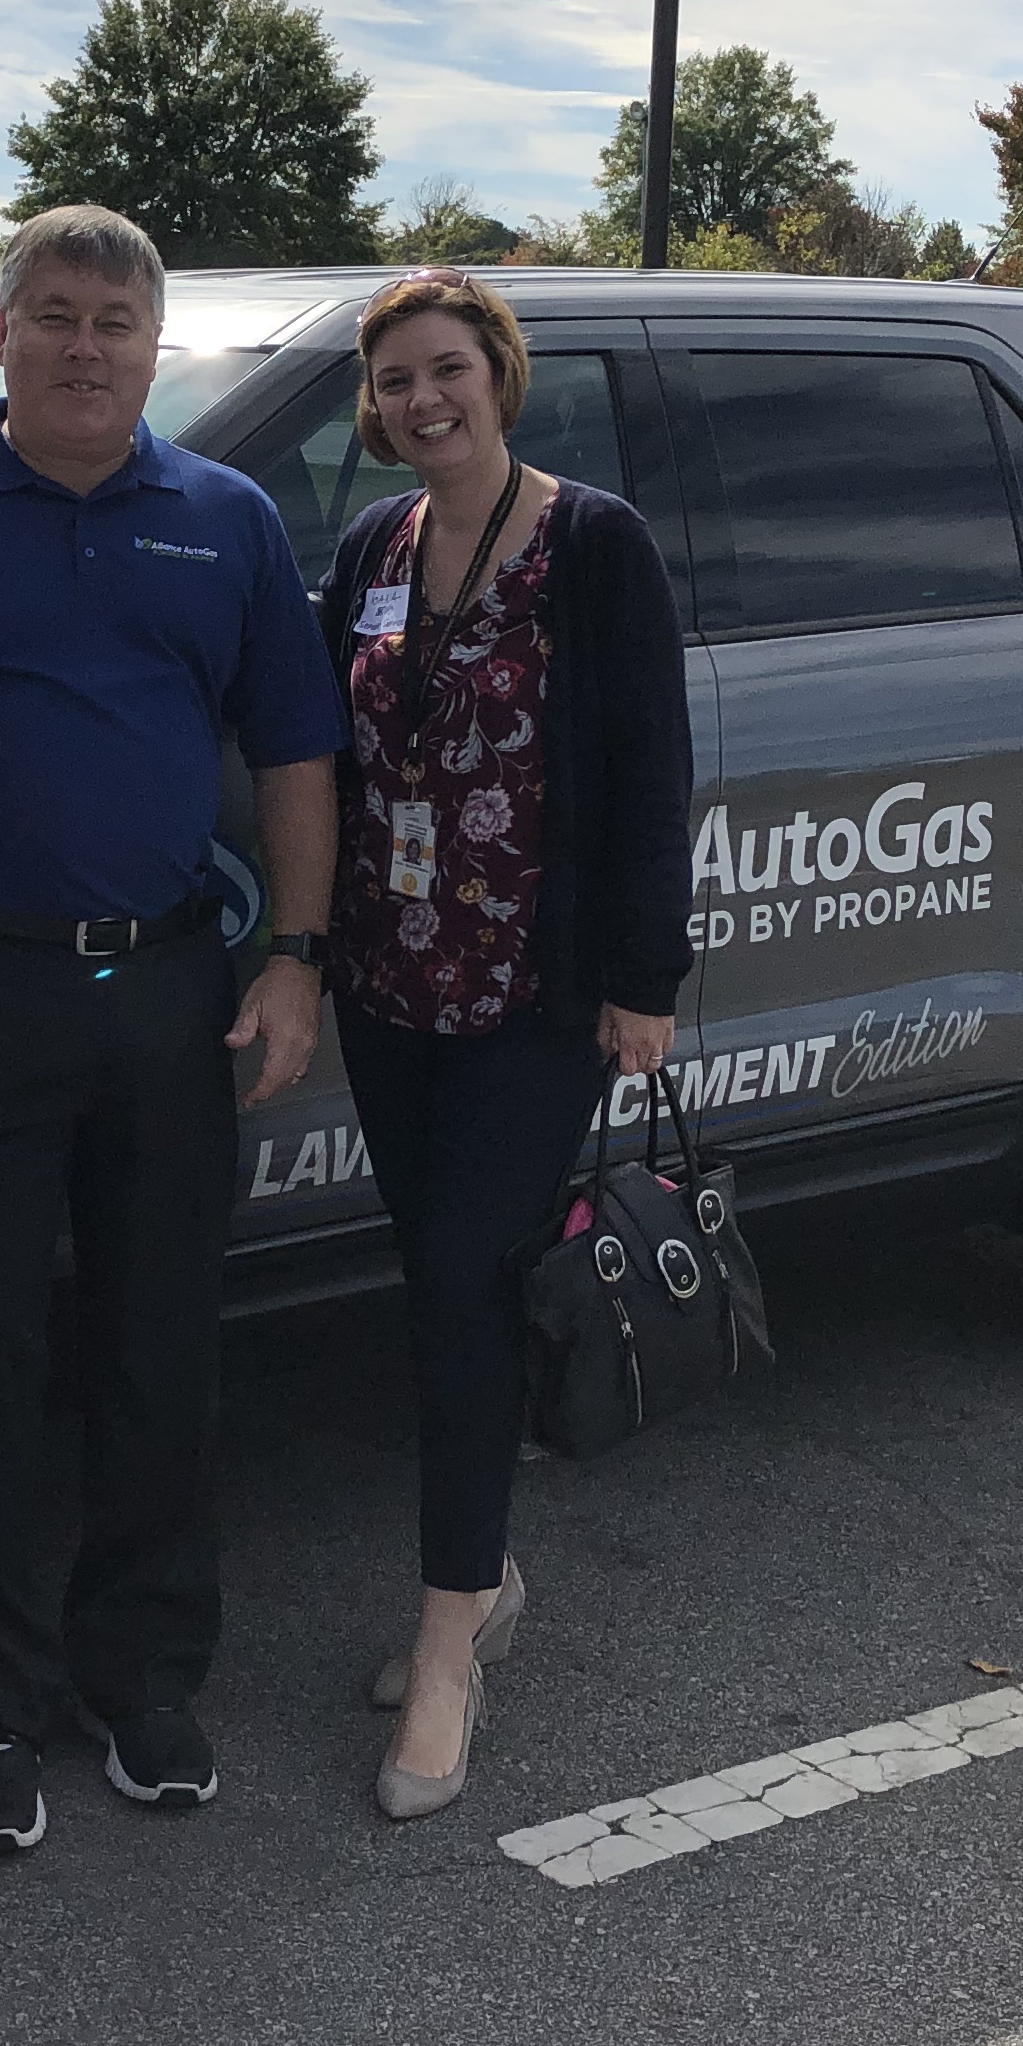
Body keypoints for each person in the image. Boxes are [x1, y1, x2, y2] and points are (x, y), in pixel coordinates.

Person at [0, 204, 345, 1858]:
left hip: (175, 988)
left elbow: (293, 756)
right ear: (1, 331)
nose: (84, 345)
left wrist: (300, 960)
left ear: (154, 346)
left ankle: (143, 1678)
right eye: (54, 313)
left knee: (158, 1349)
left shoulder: (227, 518)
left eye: (117, 323)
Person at [317, 268, 693, 1820]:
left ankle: (448, 1647)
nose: (425, 399)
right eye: (397, 378)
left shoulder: (594, 544)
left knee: (469, 1295)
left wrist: (641, 978)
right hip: (390, 989)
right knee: (435, 1287)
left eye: (448, 369)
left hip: (529, 1004)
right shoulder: (372, 550)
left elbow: (650, 768)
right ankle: (485, 1580)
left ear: (501, 373)